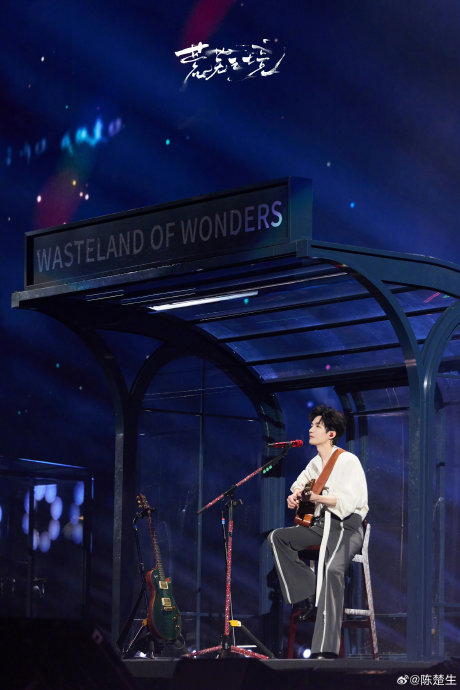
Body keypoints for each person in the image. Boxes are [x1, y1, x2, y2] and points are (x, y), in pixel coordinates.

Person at [269, 405, 368, 659]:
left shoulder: (348, 461)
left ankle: (326, 649)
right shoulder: (315, 463)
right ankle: (311, 592)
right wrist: (294, 496)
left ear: (331, 434)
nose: (311, 430)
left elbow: (347, 503)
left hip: (347, 526)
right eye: (311, 425)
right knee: (278, 537)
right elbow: (300, 486)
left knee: (332, 570)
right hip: (320, 526)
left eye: (317, 426)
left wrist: (317, 498)